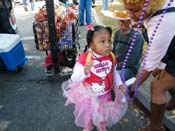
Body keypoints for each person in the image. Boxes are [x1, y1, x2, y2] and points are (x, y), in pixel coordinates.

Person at [120, 0, 175, 131]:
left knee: (156, 86)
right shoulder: (155, 8)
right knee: (157, 72)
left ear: (150, 5)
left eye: (134, 10)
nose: (130, 14)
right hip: (171, 47)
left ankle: (156, 127)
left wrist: (133, 87)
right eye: (128, 10)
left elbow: (148, 65)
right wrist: (132, 23)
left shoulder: (163, 22)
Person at [62, 25, 127, 131]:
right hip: (89, 95)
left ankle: (101, 126)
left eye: (109, 41)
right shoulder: (85, 59)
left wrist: (119, 84)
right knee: (89, 112)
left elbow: (114, 72)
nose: (108, 45)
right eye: (102, 42)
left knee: (103, 113)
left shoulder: (111, 56)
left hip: (105, 94)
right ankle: (88, 125)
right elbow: (75, 78)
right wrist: (85, 71)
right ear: (91, 45)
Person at [112, 10, 144, 81]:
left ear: (131, 23)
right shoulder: (117, 33)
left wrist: (114, 67)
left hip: (129, 69)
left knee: (112, 78)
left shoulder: (137, 37)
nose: (123, 28)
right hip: (116, 65)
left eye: (127, 24)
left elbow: (131, 61)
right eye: (121, 24)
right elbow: (113, 52)